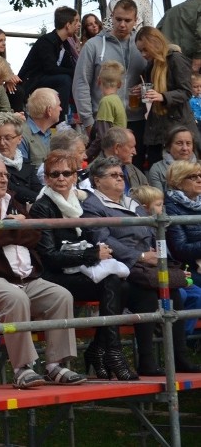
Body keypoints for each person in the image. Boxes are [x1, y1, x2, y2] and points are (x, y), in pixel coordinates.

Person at [0, 151, 86, 389]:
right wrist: (14, 226)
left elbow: (34, 234)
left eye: (5, 174)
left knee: (61, 295)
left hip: (24, 277)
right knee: (15, 299)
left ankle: (55, 364)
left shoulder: (11, 200)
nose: (5, 179)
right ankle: (22, 368)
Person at [81, 156, 201, 375]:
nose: (120, 179)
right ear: (97, 181)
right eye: (113, 175)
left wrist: (158, 255)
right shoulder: (92, 206)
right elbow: (103, 238)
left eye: (121, 175)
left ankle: (179, 357)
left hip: (149, 264)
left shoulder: (132, 203)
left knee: (172, 292)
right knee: (145, 294)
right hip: (122, 265)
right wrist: (140, 255)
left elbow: (153, 232)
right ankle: (146, 361)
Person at [30, 150, 137, 380]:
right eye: (54, 174)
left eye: (66, 173)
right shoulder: (43, 207)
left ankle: (100, 350)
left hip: (80, 270)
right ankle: (112, 353)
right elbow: (49, 256)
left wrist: (101, 251)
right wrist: (91, 254)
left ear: (74, 177)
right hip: (54, 275)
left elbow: (90, 238)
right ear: (47, 178)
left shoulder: (80, 202)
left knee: (124, 286)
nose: (61, 178)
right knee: (112, 283)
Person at [73, 0, 147, 164]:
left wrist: (144, 88)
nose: (122, 24)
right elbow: (81, 83)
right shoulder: (94, 45)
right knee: (105, 173)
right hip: (104, 121)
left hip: (137, 121)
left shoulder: (142, 45)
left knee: (132, 173)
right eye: (118, 19)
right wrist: (89, 122)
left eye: (128, 20)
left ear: (136, 20)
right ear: (111, 17)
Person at [134, 25, 200, 165]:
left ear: (155, 43)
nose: (143, 54)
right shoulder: (151, 65)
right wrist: (142, 90)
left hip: (178, 127)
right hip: (157, 129)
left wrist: (163, 96)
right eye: (140, 51)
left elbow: (186, 91)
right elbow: (152, 90)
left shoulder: (176, 59)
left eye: (145, 49)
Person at [157, 170, 201, 338]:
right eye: (193, 176)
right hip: (186, 267)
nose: (199, 179)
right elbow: (179, 248)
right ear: (178, 182)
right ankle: (182, 345)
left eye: (200, 176)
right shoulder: (171, 207)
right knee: (195, 294)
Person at [18, 7, 81, 119]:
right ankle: (62, 119)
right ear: (68, 25)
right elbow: (50, 68)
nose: (79, 25)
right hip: (32, 82)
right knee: (65, 79)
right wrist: (75, 71)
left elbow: (68, 67)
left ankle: (77, 115)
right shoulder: (46, 41)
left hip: (46, 79)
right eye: (76, 21)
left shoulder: (65, 44)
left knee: (73, 78)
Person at [0, 113, 42, 209]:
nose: (2, 143)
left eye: (7, 138)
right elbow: (12, 190)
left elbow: (39, 190)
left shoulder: (25, 163)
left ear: (19, 139)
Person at [85, 61, 127, 161]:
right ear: (120, 84)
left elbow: (103, 136)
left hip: (109, 155)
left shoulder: (106, 101)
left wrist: (87, 154)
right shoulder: (117, 100)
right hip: (118, 150)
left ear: (98, 81)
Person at [157, 0, 201, 72]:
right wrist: (198, 57)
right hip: (193, 64)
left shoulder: (171, 11)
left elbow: (155, 34)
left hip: (168, 64)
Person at [146, 126, 197, 193]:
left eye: (188, 143)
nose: (185, 148)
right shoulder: (157, 169)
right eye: (179, 143)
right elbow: (158, 200)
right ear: (168, 146)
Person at [19, 88, 60, 168]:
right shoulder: (21, 136)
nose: (61, 109)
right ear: (49, 110)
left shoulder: (51, 134)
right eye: (58, 105)